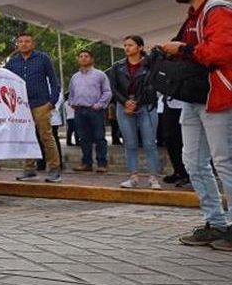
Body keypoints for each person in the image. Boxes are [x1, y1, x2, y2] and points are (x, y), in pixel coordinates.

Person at [158, 0, 232, 249]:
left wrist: (183, 49)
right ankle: (216, 222)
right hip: (195, 97)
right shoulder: (194, 16)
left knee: (224, 162)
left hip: (218, 96)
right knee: (193, 162)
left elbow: (219, 52)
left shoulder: (218, 11)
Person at [5, 32, 63, 182]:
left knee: (46, 136)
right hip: (21, 105)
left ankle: (54, 169)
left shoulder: (43, 58)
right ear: (17, 44)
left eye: (27, 41)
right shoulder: (12, 62)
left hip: (41, 104)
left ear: (33, 44)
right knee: (26, 137)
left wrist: (52, 102)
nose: (24, 44)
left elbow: (54, 81)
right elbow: (6, 81)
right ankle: (29, 169)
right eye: (21, 42)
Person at [107, 36, 162, 189]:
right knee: (130, 143)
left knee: (149, 143)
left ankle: (153, 178)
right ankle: (133, 177)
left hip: (145, 105)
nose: (127, 48)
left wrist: (136, 102)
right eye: (125, 45)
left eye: (130, 45)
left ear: (140, 47)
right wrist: (125, 102)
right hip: (123, 106)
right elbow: (113, 88)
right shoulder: (117, 67)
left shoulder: (149, 65)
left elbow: (151, 86)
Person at [68, 51, 111, 174]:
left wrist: (99, 105)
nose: (83, 58)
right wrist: (72, 102)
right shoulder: (75, 77)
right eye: (81, 56)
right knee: (83, 138)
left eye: (86, 56)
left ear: (92, 59)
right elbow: (71, 93)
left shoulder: (100, 75)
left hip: (95, 110)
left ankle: (102, 164)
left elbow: (107, 92)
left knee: (99, 137)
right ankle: (86, 163)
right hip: (79, 110)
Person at [159, 95, 190, 187]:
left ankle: (186, 173)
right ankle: (178, 171)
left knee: (181, 141)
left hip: (183, 106)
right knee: (169, 139)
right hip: (169, 103)